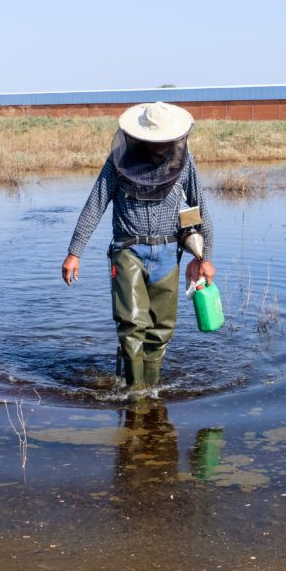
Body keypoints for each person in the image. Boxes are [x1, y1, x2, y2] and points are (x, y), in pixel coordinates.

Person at [61, 102, 216, 388]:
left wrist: (204, 257)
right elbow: (95, 205)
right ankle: (136, 395)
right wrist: (74, 252)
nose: (160, 147)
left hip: (169, 253)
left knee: (161, 330)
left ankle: (150, 392)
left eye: (165, 141)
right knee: (132, 325)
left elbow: (200, 207)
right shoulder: (118, 162)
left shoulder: (185, 161)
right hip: (128, 251)